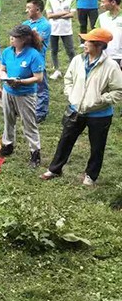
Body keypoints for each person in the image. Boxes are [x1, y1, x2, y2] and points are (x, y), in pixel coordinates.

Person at [41, 28, 122, 186]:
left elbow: (118, 90)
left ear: (99, 45)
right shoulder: (77, 60)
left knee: (97, 146)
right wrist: (71, 95)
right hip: (76, 110)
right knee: (65, 140)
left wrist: (99, 100)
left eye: (88, 41)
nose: (84, 44)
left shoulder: (111, 66)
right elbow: (68, 79)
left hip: (100, 114)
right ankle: (55, 169)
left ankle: (91, 175)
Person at [0, 24, 45, 167]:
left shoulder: (34, 55)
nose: (11, 39)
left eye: (15, 37)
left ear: (24, 39)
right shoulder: (7, 52)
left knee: (28, 123)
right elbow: (2, 69)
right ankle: (8, 144)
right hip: (8, 91)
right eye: (11, 36)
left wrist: (21, 82)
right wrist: (5, 78)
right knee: (8, 119)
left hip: (25, 94)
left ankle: (35, 152)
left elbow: (38, 78)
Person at [23, 0, 52, 123]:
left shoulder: (45, 25)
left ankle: (41, 112)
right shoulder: (25, 23)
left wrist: (29, 35)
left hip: (37, 60)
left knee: (41, 87)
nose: (27, 10)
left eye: (29, 8)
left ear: (38, 9)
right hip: (25, 58)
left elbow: (37, 41)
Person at [45, 0, 76, 79]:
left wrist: (55, 15)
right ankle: (56, 70)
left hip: (66, 29)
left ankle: (74, 70)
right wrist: (64, 13)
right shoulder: (50, 0)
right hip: (53, 29)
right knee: (53, 50)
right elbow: (49, 15)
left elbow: (72, 14)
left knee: (70, 51)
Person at [98, 0, 122, 66]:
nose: (101, 5)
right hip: (104, 57)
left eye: (103, 2)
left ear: (113, 2)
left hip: (119, 57)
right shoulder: (101, 17)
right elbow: (97, 36)